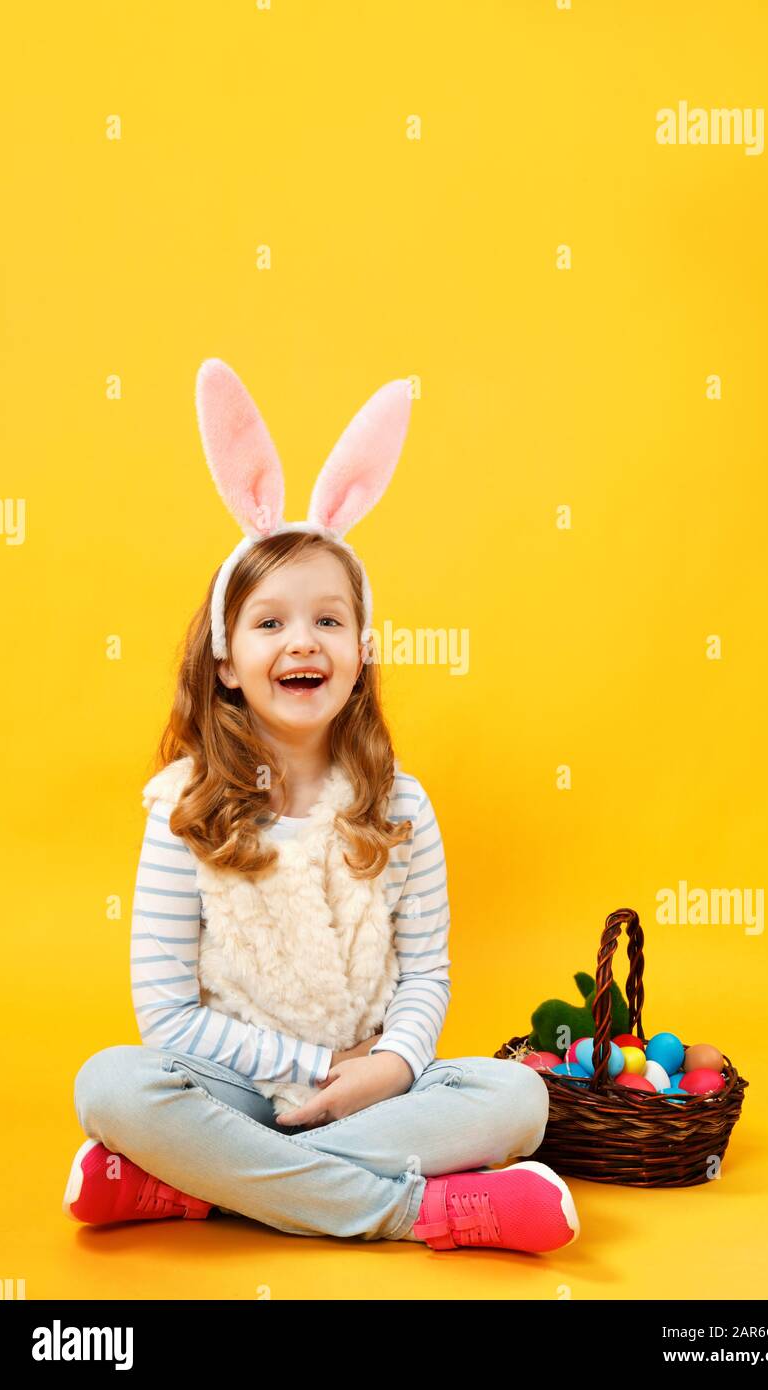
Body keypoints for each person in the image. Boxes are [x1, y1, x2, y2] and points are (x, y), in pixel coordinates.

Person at [63, 359, 580, 1253]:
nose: (301, 641)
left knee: (519, 1099)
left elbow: (424, 979)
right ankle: (414, 1210)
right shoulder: (183, 808)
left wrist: (383, 1071)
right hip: (228, 1080)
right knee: (111, 1086)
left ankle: (197, 1183)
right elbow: (167, 1018)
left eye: (328, 621)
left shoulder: (402, 805)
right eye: (269, 623)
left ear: (359, 650)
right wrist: (309, 1070)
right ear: (227, 658)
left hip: (373, 1088)